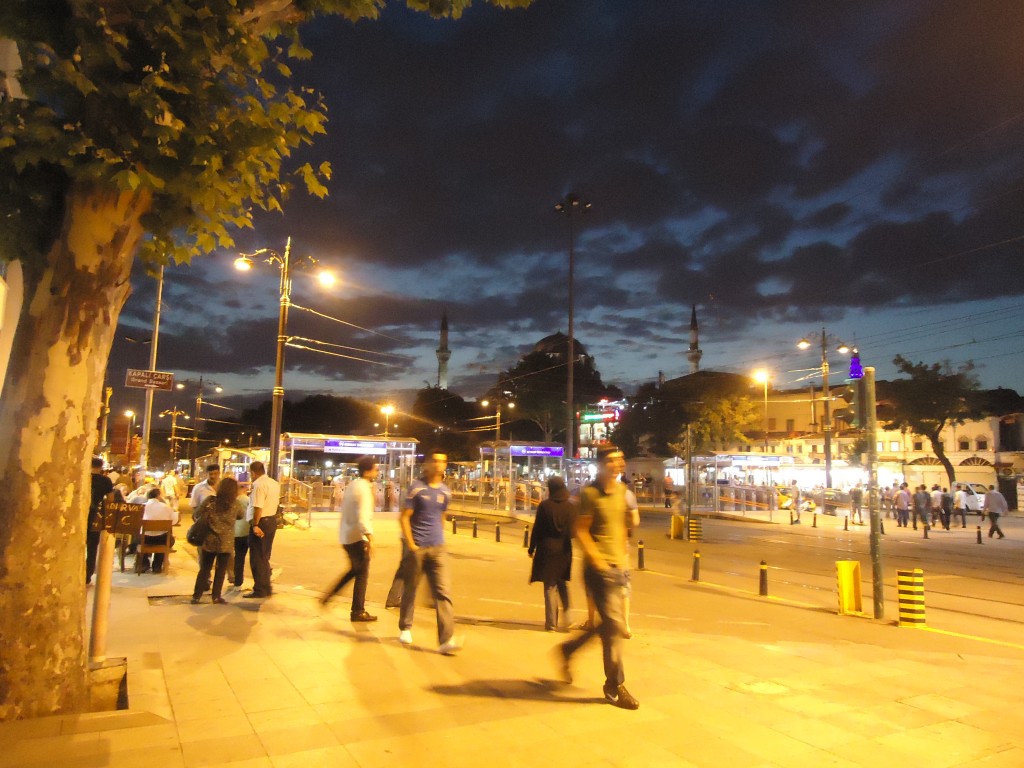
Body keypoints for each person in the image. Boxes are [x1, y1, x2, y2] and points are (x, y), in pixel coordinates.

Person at [556, 446, 639, 710]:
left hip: (618, 566)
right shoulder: (590, 494)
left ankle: (569, 650)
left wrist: (624, 548)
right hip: (597, 570)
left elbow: (626, 525)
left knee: (608, 626)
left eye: (621, 459)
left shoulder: (624, 492)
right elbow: (580, 531)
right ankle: (614, 686)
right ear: (602, 465)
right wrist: (597, 559)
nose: (619, 464)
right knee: (613, 627)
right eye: (613, 460)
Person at [397, 452, 462, 654]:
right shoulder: (416, 488)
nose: (438, 464)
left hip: (438, 549)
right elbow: (404, 518)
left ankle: (446, 639)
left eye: (442, 461)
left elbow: (442, 517)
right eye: (434, 461)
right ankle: (405, 627)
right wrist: (412, 545)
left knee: (443, 593)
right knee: (411, 588)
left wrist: (440, 539)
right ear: (427, 464)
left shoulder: (445, 492)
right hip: (418, 547)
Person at [321, 456, 379, 621]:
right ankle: (357, 611)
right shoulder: (364, 489)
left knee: (355, 570)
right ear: (368, 470)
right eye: (375, 468)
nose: (377, 471)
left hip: (347, 535)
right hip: (358, 538)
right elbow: (363, 517)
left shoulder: (354, 485)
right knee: (362, 574)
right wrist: (370, 538)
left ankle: (329, 596)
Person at [528, 476, 575, 632]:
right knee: (562, 583)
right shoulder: (570, 507)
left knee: (550, 586)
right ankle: (569, 618)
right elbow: (573, 532)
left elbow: (537, 529)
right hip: (564, 551)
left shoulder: (544, 506)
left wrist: (531, 547)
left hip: (546, 550)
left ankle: (551, 624)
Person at [191, 477, 242, 604]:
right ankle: (216, 596)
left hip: (209, 540)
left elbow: (196, 514)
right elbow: (241, 516)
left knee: (205, 568)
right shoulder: (235, 504)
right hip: (226, 542)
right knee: (221, 570)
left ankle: (196, 596)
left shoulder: (210, 501)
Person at [244, 461, 281, 598]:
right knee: (264, 556)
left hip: (261, 523)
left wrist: (255, 525)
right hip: (271, 520)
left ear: (253, 472)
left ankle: (260, 589)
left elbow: (258, 507)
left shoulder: (258, 485)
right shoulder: (273, 483)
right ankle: (266, 587)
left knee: (257, 558)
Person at [87, 457, 116, 584]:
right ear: (101, 467)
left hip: (81, 516)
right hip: (95, 518)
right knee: (92, 548)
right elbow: (110, 500)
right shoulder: (105, 481)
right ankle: (87, 575)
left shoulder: (84, 478)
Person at [138, 488, 179, 573]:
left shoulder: (141, 506)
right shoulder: (166, 507)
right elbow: (174, 521)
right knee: (167, 538)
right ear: (158, 496)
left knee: (138, 538)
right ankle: (157, 565)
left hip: (145, 539)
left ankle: (144, 563)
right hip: (161, 539)